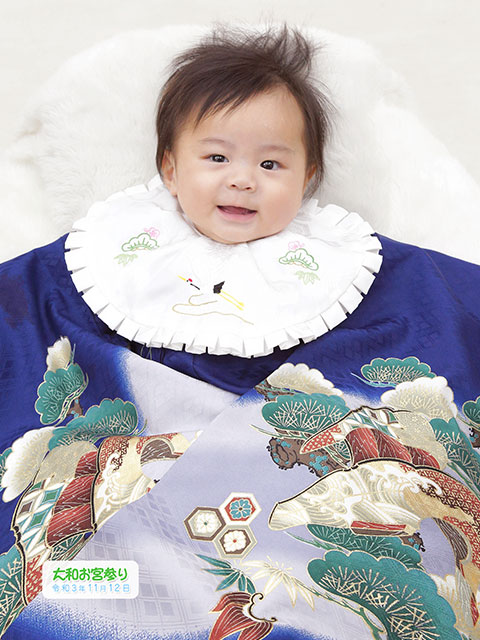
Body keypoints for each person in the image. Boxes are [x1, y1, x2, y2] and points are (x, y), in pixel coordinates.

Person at [1, 24, 480, 640]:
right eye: (217, 158)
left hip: (278, 504)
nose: (243, 178)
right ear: (170, 167)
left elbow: (433, 300)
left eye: (271, 163)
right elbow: (38, 302)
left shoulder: (350, 263)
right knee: (77, 585)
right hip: (141, 519)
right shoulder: (106, 257)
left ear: (308, 177)